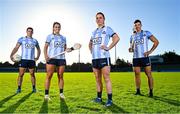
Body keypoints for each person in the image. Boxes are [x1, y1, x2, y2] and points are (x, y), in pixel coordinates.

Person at [89, 12, 120, 107]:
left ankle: (110, 100)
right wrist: (92, 51)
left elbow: (117, 38)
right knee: (97, 79)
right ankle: (99, 98)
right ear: (95, 20)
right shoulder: (93, 32)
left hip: (104, 58)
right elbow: (90, 44)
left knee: (106, 79)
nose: (99, 19)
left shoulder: (108, 29)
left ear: (104, 19)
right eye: (97, 18)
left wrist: (108, 47)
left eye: (100, 18)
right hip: (95, 59)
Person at [128, 19, 159, 97]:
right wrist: (130, 49)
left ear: (141, 25)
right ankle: (138, 91)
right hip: (136, 58)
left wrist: (150, 52)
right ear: (134, 26)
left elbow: (156, 42)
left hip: (145, 57)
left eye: (138, 25)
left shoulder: (146, 33)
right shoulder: (132, 36)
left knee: (148, 74)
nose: (137, 26)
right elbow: (131, 48)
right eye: (135, 25)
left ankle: (151, 91)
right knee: (137, 74)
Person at [44, 22, 71, 100]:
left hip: (61, 59)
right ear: (53, 28)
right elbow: (45, 47)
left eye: (58, 27)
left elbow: (65, 48)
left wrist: (67, 50)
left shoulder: (64, 38)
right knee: (49, 76)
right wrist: (46, 56)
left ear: (60, 28)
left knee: (60, 76)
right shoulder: (49, 36)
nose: (57, 28)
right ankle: (46, 95)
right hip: (52, 58)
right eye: (56, 27)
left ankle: (61, 94)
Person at [10, 27, 41, 94]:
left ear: (32, 32)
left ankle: (34, 88)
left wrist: (37, 57)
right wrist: (11, 55)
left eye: (31, 31)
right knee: (21, 74)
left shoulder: (35, 41)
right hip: (23, 59)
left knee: (32, 74)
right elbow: (16, 47)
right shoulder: (22, 39)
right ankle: (19, 89)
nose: (30, 32)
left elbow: (39, 49)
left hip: (31, 60)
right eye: (28, 31)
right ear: (26, 32)